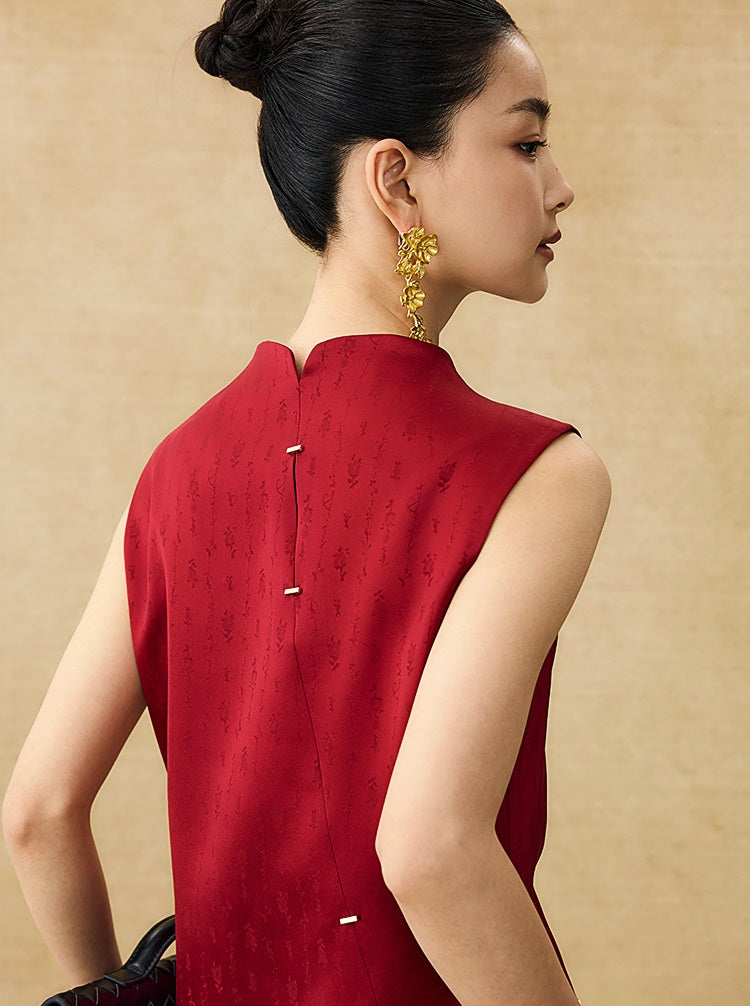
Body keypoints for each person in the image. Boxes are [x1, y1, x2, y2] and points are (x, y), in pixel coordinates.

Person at [3, 1, 610, 1003]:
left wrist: (112, 992)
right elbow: (431, 848)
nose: (560, 185)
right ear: (396, 179)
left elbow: (38, 811)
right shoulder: (535, 473)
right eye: (527, 142)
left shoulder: (177, 468)